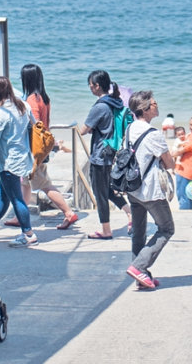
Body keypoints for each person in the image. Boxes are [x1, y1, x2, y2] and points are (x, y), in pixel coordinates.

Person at [122, 91, 175, 290]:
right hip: (150, 190)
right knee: (167, 229)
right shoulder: (154, 134)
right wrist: (171, 162)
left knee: (138, 232)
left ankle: (141, 275)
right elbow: (168, 162)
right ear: (144, 109)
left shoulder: (130, 129)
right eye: (154, 103)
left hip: (133, 188)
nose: (157, 105)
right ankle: (139, 267)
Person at [0, 76, 39, 247]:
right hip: (22, 156)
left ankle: (28, 234)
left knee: (16, 199)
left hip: (7, 162)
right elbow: (34, 125)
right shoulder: (23, 105)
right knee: (4, 196)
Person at [19, 63, 80, 229]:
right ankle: (21, 216)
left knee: (44, 184)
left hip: (34, 149)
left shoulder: (32, 100)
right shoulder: (43, 98)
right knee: (25, 182)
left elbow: (36, 124)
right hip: (43, 146)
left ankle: (68, 212)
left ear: (27, 79)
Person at [78, 69, 129, 239]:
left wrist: (78, 127)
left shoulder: (100, 106)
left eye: (90, 85)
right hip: (111, 150)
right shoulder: (115, 102)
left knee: (100, 194)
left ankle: (106, 230)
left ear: (97, 86)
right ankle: (130, 213)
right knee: (106, 189)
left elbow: (84, 130)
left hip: (100, 154)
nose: (90, 88)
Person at [172, 115, 192, 210]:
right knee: (191, 195)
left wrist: (174, 152)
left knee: (183, 196)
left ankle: (184, 218)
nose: (191, 127)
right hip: (189, 169)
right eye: (190, 125)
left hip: (185, 170)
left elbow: (176, 152)